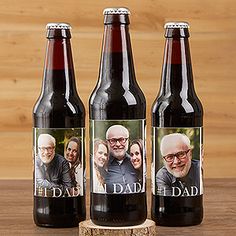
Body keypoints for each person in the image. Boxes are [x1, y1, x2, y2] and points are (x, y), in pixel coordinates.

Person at [105, 125, 140, 194]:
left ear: (128, 141)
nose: (118, 144)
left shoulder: (136, 162)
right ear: (107, 142)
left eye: (122, 140)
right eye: (113, 140)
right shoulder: (102, 164)